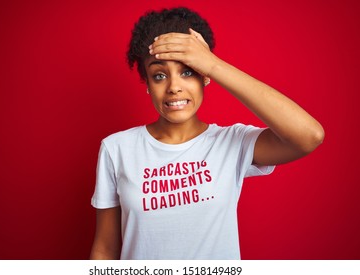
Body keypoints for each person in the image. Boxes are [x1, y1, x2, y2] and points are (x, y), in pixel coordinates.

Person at [89, 7, 324, 260]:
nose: (174, 87)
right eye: (159, 76)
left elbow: (309, 136)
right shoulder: (117, 148)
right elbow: (105, 249)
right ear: (147, 84)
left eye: (188, 71)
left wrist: (212, 64)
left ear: (206, 78)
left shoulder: (231, 143)